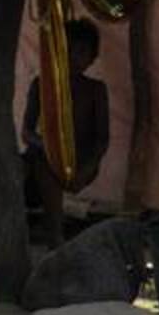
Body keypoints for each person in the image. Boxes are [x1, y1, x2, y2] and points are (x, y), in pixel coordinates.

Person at [22, 18, 110, 248]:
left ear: (92, 57)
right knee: (37, 164)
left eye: (82, 51)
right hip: (44, 157)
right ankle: (52, 233)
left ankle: (55, 234)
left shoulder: (95, 90)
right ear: (58, 50)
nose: (74, 57)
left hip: (80, 162)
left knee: (49, 167)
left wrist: (86, 168)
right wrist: (48, 147)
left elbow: (102, 140)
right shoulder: (41, 84)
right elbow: (26, 131)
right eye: (69, 50)